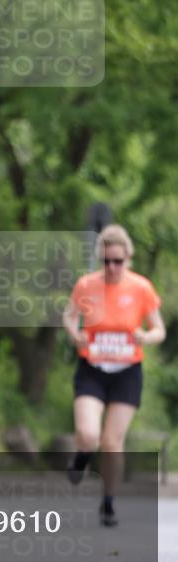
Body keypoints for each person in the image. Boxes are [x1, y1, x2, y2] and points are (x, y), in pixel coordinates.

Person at [62, 223, 165, 526]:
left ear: (128, 259)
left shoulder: (141, 288)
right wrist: (75, 334)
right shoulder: (86, 285)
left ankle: (108, 502)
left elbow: (159, 329)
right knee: (88, 434)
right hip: (92, 369)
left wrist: (145, 337)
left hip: (127, 372)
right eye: (106, 261)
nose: (112, 267)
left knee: (111, 441)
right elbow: (69, 317)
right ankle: (81, 458)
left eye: (117, 261)